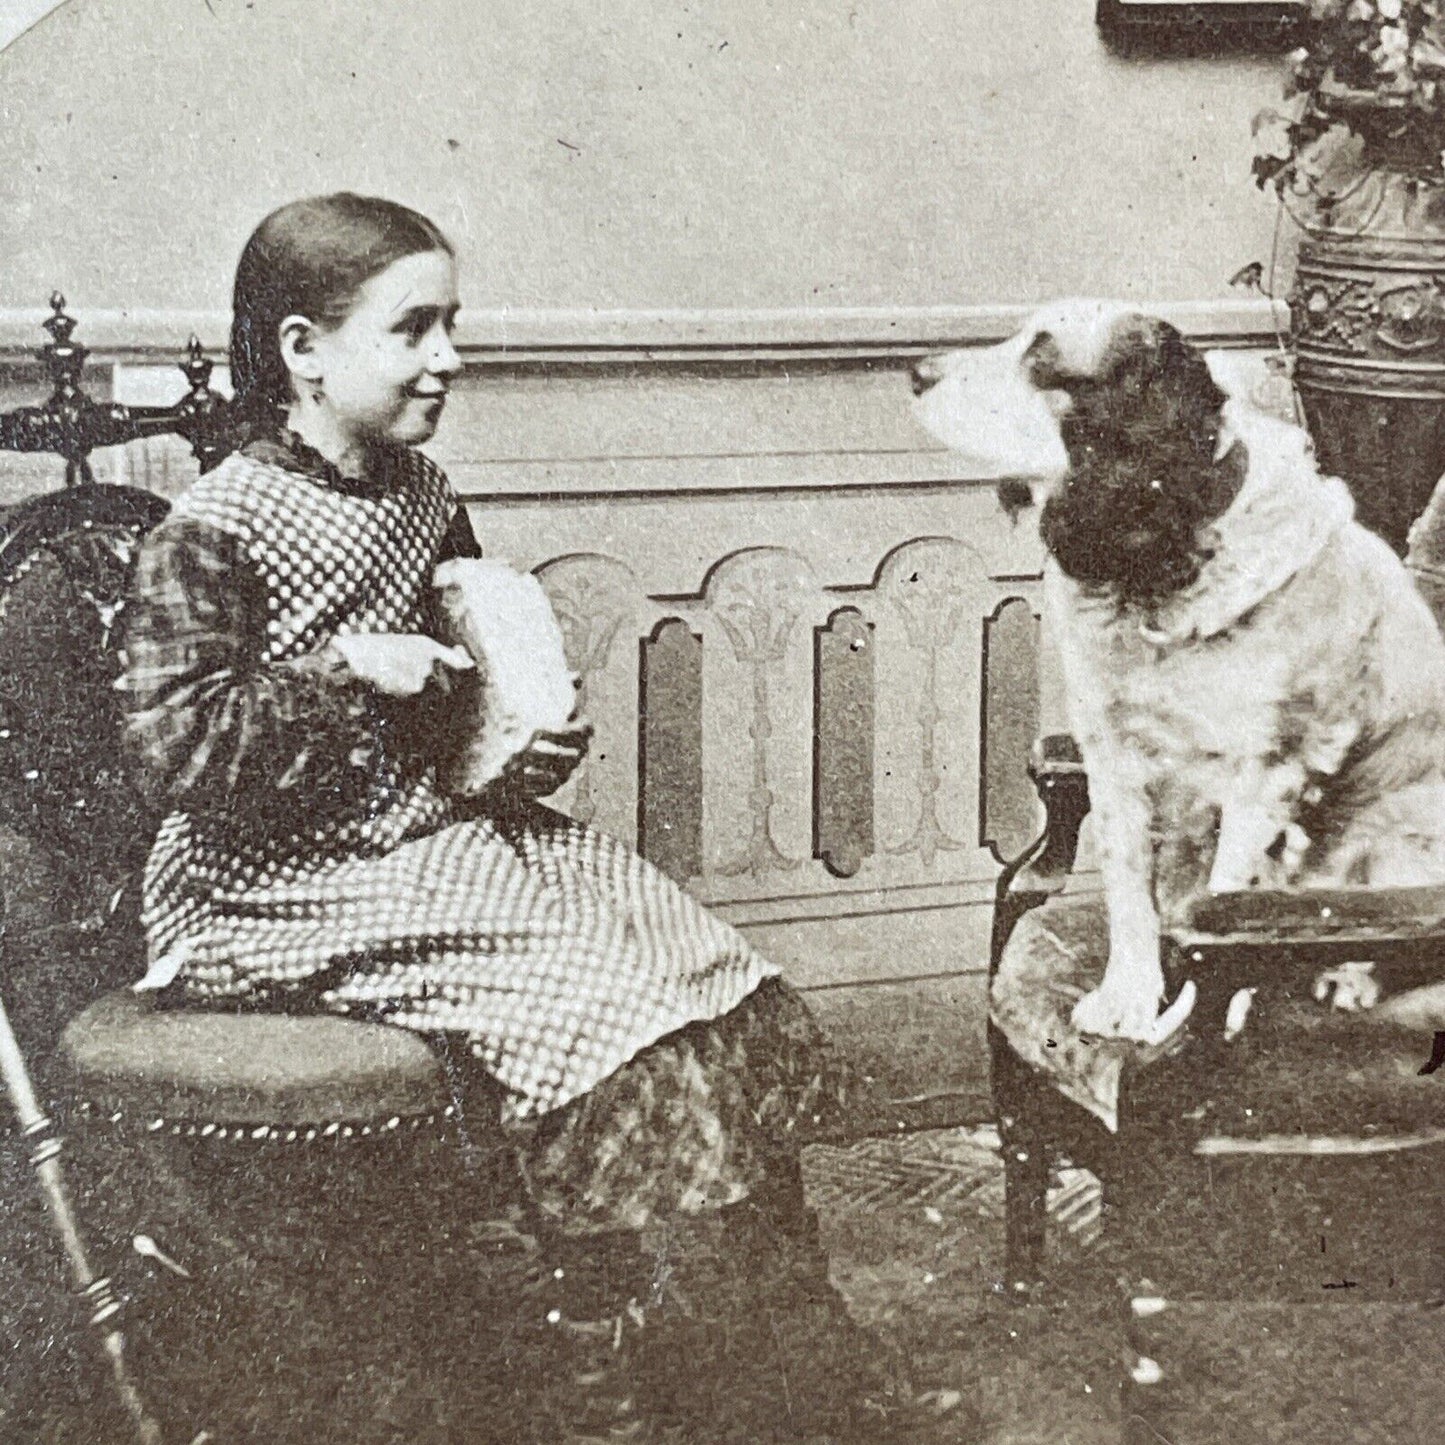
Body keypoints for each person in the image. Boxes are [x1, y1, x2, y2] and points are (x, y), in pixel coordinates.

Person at [117, 193, 963, 1442]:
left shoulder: (417, 492)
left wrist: (517, 743)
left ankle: (785, 1357)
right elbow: (169, 751)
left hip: (427, 840)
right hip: (269, 885)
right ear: (302, 348)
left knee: (720, 983)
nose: (446, 357)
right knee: (613, 1027)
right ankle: (608, 1375)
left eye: (450, 323)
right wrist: (346, 673)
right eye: (411, 328)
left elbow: (458, 713)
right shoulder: (221, 523)